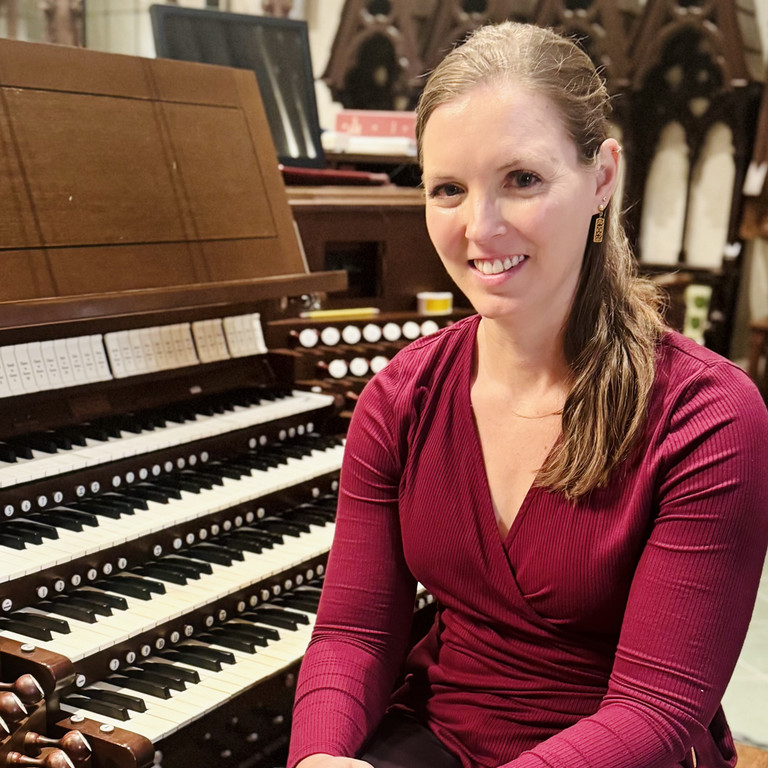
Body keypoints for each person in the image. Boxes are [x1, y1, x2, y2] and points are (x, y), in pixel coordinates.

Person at [286, 20, 768, 768]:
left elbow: (656, 709)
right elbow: (355, 634)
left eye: (522, 180)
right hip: (442, 733)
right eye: (448, 189)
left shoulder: (707, 417)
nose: (480, 228)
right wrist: (318, 758)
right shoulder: (401, 398)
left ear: (603, 176)